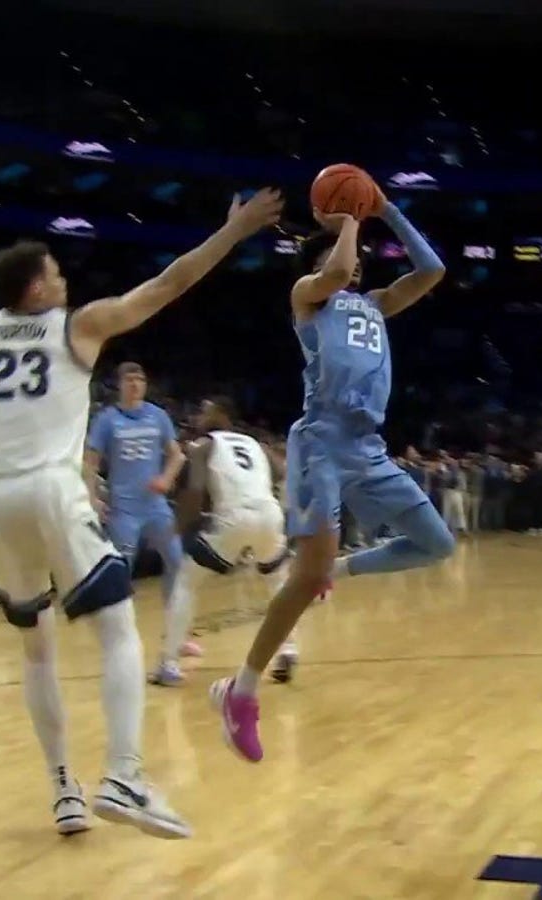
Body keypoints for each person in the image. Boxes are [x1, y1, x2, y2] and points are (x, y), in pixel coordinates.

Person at [0, 187, 282, 838]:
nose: (64, 283)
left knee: (37, 652)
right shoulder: (78, 326)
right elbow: (170, 282)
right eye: (57, 276)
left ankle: (64, 789)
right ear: (36, 287)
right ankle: (122, 775)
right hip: (48, 488)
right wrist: (233, 232)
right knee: (119, 631)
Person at [211, 185, 454, 763]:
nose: (356, 265)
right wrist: (349, 218)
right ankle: (241, 691)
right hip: (320, 442)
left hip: (368, 447)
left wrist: (387, 210)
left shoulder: (375, 304)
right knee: (301, 580)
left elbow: (433, 269)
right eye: (346, 257)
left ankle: (334, 569)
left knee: (437, 543)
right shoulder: (309, 296)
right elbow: (341, 265)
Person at [168, 397, 297, 687]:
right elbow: (283, 473)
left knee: (186, 581)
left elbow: (194, 491)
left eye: (204, 409)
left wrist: (179, 527)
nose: (198, 415)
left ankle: (168, 663)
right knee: (278, 582)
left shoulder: (204, 445)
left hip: (235, 517)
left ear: (222, 415)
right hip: (269, 513)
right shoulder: (258, 445)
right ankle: (288, 648)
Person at [85, 363, 195, 661]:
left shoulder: (157, 415)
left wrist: (166, 479)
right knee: (122, 573)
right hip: (124, 509)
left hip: (156, 507)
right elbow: (90, 463)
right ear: (119, 385)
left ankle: (176, 634)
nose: (135, 384)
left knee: (177, 564)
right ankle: (119, 638)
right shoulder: (107, 419)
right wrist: (93, 497)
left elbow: (177, 455)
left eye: (140, 379)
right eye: (129, 379)